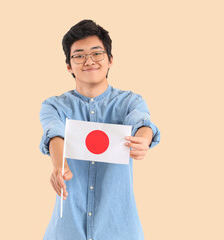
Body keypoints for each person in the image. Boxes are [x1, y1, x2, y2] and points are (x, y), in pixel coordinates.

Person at [39, 19, 161, 240]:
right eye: (79, 55)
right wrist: (59, 165)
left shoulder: (130, 101)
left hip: (121, 231)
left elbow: (142, 122)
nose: (89, 61)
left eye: (97, 53)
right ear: (68, 65)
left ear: (110, 60)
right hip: (67, 230)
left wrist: (143, 138)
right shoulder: (53, 105)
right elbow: (54, 132)